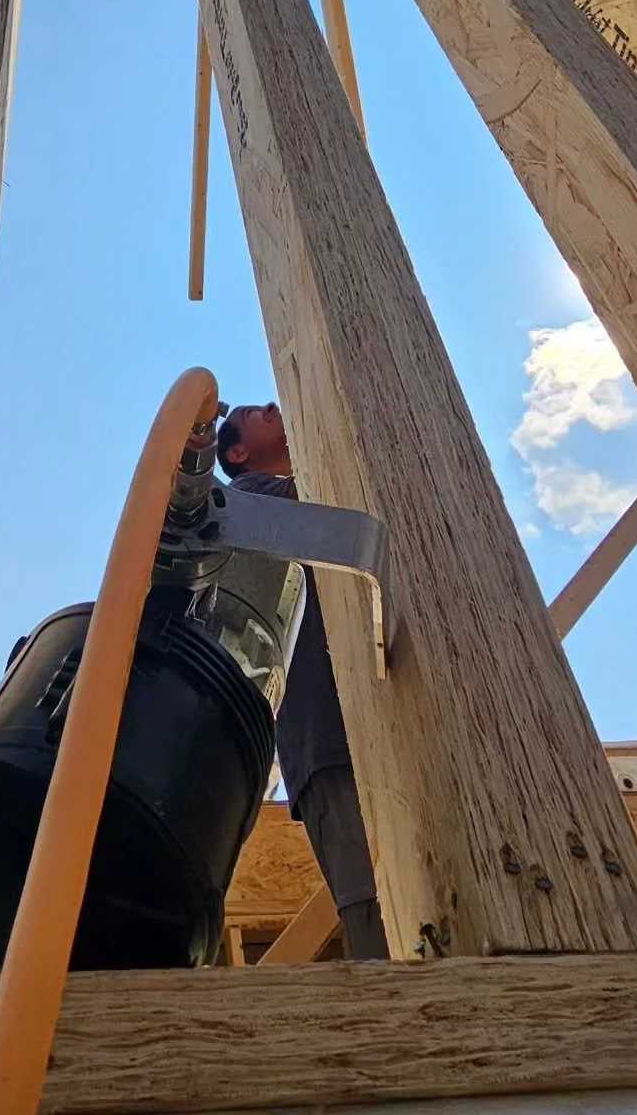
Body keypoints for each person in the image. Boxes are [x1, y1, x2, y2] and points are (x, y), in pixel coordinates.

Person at [217, 400, 390, 961]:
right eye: (255, 413)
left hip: (337, 734)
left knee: (376, 893)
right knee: (375, 900)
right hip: (330, 734)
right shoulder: (245, 498)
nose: (272, 404)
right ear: (238, 454)